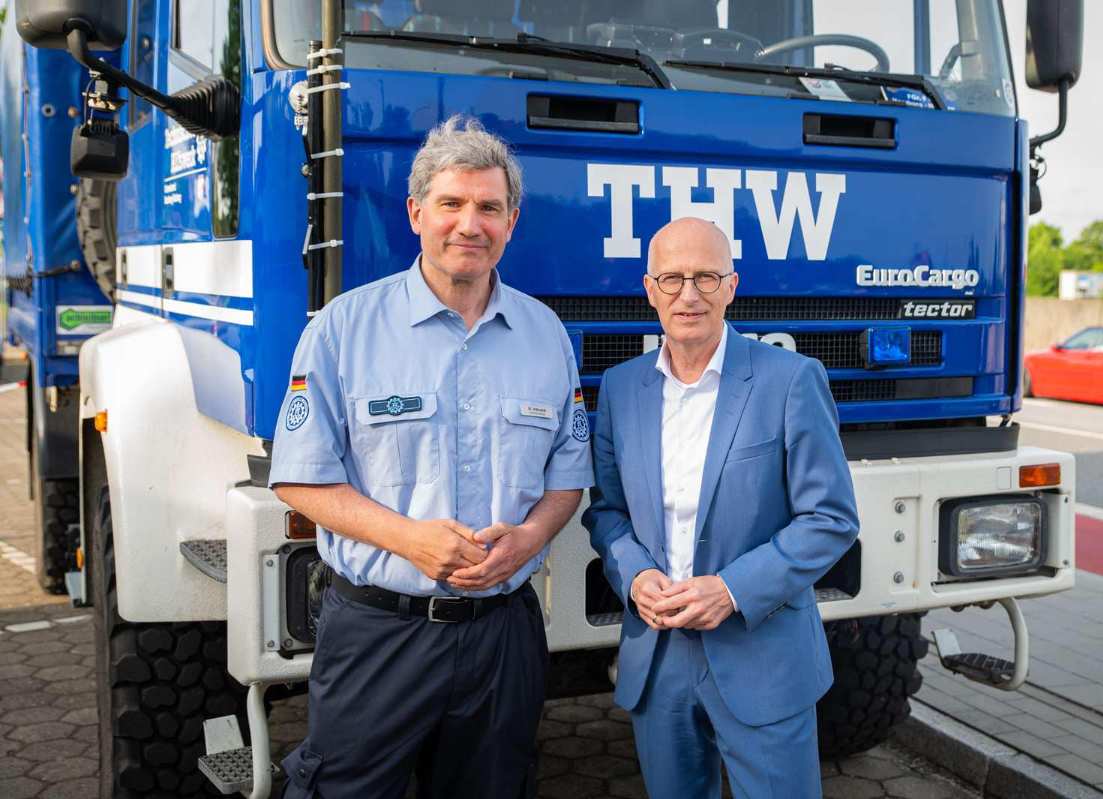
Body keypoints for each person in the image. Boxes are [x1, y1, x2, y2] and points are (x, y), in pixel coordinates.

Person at [269, 115, 593, 799]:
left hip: (502, 637)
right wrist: (409, 539)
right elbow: (298, 475)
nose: (469, 224)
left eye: (488, 207)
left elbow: (568, 474)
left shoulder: (546, 335)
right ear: (416, 213)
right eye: (451, 203)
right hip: (379, 634)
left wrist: (532, 535)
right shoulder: (343, 328)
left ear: (512, 220)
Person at [582, 217, 859, 798]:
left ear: (732, 286)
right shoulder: (620, 388)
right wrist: (634, 577)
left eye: (706, 278)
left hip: (762, 654)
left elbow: (830, 518)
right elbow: (607, 511)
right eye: (673, 278)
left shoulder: (790, 380)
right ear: (649, 287)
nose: (689, 295)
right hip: (657, 662)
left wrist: (731, 590)